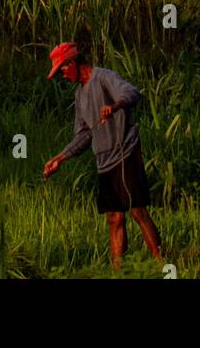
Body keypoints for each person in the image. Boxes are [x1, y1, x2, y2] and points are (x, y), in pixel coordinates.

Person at [43, 41, 161, 269]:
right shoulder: (80, 96)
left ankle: (161, 263)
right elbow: (83, 136)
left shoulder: (104, 77)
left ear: (73, 63)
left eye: (62, 70)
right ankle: (118, 271)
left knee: (137, 210)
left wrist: (115, 106)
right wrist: (59, 158)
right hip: (104, 161)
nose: (62, 75)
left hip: (125, 151)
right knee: (114, 217)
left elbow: (131, 93)